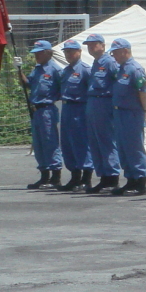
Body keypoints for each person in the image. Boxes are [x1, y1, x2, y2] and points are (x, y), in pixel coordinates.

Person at [19, 40, 63, 190]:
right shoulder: (37, 69)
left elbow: (63, 88)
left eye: (39, 53)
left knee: (50, 142)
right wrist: (19, 70)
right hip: (36, 110)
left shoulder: (55, 70)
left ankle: (56, 176)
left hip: (47, 109)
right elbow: (27, 83)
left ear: (47, 53)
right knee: (38, 144)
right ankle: (44, 175)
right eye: (35, 53)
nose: (36, 56)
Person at [109, 37, 146, 196]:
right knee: (123, 148)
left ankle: (140, 183)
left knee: (134, 148)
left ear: (125, 51)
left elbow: (143, 92)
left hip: (132, 113)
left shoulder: (135, 69)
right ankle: (130, 180)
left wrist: (144, 110)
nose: (114, 56)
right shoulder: (121, 69)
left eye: (116, 53)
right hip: (120, 112)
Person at [82, 32, 121, 194]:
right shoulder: (96, 63)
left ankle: (112, 178)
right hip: (93, 103)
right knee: (95, 142)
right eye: (89, 45)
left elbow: (119, 82)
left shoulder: (109, 62)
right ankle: (103, 177)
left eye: (94, 44)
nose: (91, 47)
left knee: (106, 141)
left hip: (105, 103)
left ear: (103, 46)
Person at [56, 39, 91, 192]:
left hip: (80, 109)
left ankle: (86, 179)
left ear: (79, 52)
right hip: (67, 109)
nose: (69, 54)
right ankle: (74, 176)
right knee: (67, 144)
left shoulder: (85, 70)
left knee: (81, 144)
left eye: (71, 51)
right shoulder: (65, 71)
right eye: (66, 52)